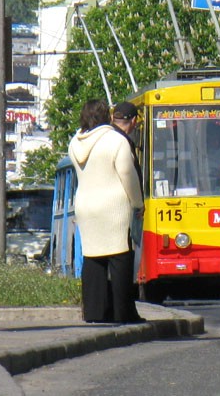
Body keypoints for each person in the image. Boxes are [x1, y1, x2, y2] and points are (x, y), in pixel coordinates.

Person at [68, 99, 144, 324]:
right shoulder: (116, 140)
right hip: (114, 206)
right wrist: (138, 204)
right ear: (106, 116)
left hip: (85, 205)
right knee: (120, 257)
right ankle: (124, 312)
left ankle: (94, 313)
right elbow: (127, 175)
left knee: (93, 259)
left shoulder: (75, 142)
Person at [111, 100, 142, 185]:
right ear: (134, 120)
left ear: (112, 118)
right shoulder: (124, 142)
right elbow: (128, 176)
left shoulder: (102, 137)